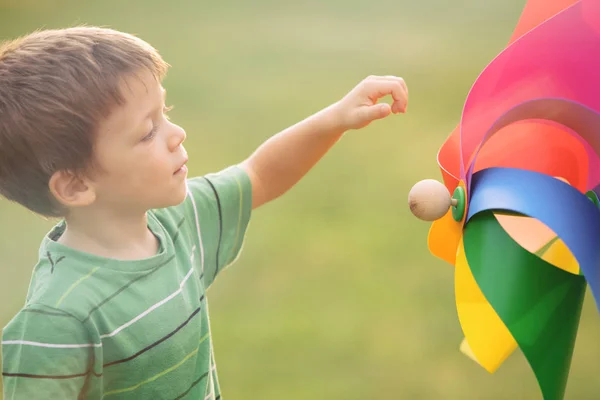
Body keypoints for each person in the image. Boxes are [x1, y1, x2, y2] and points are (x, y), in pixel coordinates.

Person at [0, 26, 408, 399]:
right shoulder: (58, 319)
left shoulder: (177, 223)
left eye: (166, 112)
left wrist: (335, 118)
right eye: (147, 132)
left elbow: (260, 175)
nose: (176, 135)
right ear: (76, 185)